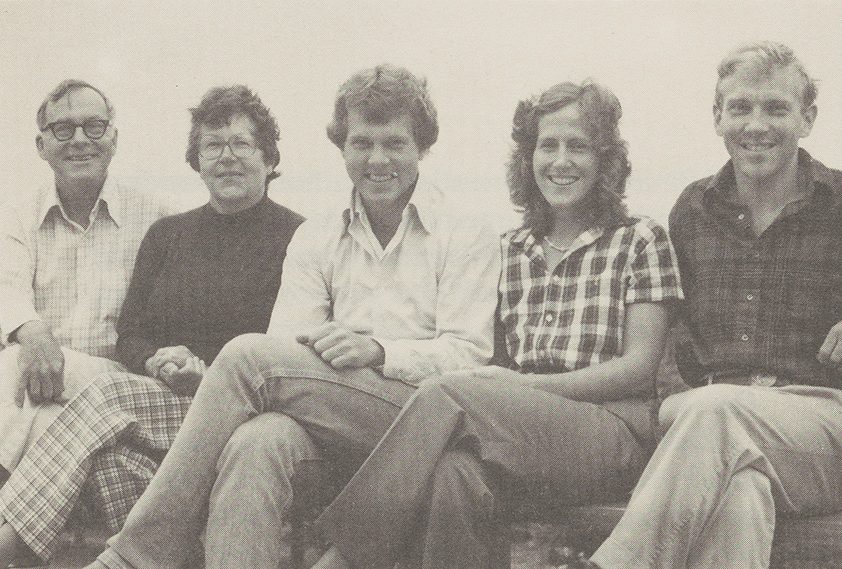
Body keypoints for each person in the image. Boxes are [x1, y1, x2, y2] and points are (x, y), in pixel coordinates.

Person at [83, 64, 500, 569]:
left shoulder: (466, 232)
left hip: (425, 418)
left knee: (244, 355)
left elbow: (469, 356)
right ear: (341, 146)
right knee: (254, 441)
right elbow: (287, 348)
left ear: (423, 147)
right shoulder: (319, 235)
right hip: (330, 419)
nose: (377, 160)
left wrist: (380, 351)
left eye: (394, 144)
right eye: (361, 143)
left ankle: (138, 551)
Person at [311, 79, 684, 569]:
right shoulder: (510, 248)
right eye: (546, 145)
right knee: (453, 474)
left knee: (450, 392)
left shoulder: (639, 238)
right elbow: (495, 357)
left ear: (607, 160)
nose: (560, 160)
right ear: (527, 159)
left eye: (578, 146)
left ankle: (341, 557)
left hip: (613, 432)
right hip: (518, 433)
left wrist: (529, 389)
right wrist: (514, 393)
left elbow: (639, 368)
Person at [0, 84, 303, 566]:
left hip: (237, 407)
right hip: (164, 400)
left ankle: (9, 543)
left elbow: (289, 346)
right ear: (196, 160)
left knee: (102, 398)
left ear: (269, 157)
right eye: (212, 145)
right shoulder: (169, 233)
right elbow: (132, 333)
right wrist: (155, 360)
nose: (226, 158)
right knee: (111, 464)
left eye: (242, 144)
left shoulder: (298, 238)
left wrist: (204, 368)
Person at [576, 42, 842, 569]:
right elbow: (672, 341)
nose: (756, 124)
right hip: (708, 419)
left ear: (807, 119)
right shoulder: (693, 209)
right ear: (717, 117)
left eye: (776, 108)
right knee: (739, 493)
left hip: (822, 428)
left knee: (713, 411)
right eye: (740, 107)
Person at [0, 80, 172, 484]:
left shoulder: (158, 218)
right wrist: (32, 329)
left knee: (8, 367)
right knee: (41, 415)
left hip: (122, 383)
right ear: (41, 145)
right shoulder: (17, 217)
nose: (80, 140)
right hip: (41, 384)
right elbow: (6, 285)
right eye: (63, 129)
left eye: (94, 126)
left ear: (114, 138)